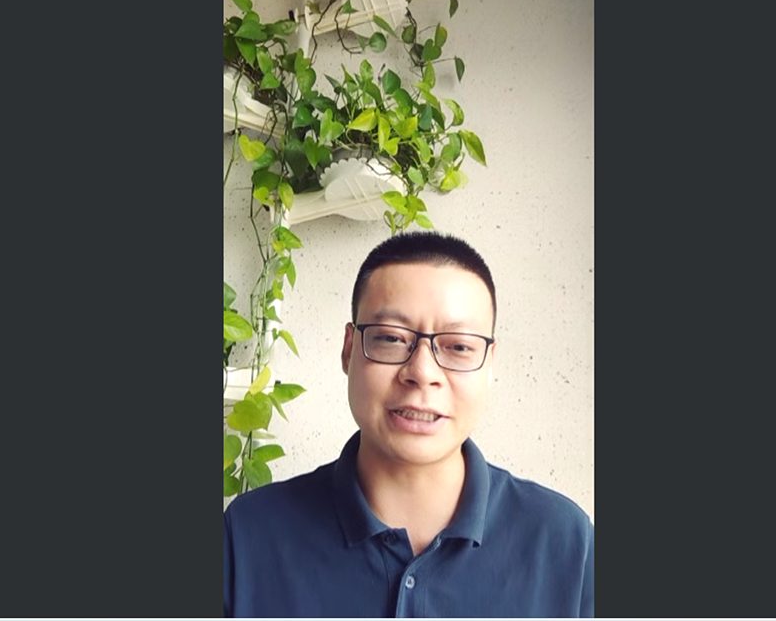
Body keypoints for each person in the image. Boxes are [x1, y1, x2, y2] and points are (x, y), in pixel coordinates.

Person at [223, 231, 594, 617]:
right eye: (391, 339)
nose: (422, 372)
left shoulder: (565, 543)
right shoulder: (248, 535)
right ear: (349, 350)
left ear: (489, 363)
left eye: (459, 346)